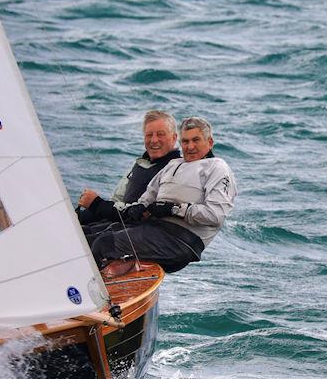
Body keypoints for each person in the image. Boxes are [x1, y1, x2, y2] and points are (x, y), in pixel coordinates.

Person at [91, 116, 237, 275]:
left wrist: (174, 209)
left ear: (210, 142)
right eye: (185, 142)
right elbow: (149, 196)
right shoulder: (174, 164)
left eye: (196, 140)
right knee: (90, 236)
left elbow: (215, 216)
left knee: (104, 244)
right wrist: (140, 207)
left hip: (181, 241)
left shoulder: (217, 168)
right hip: (153, 228)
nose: (190, 146)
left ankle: (90, 294)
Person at [77, 110, 181, 230]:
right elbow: (117, 200)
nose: (154, 140)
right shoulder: (140, 164)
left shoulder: (176, 170)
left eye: (160, 134)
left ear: (174, 138)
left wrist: (97, 204)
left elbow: (143, 213)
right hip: (118, 220)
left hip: (137, 230)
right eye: (149, 135)